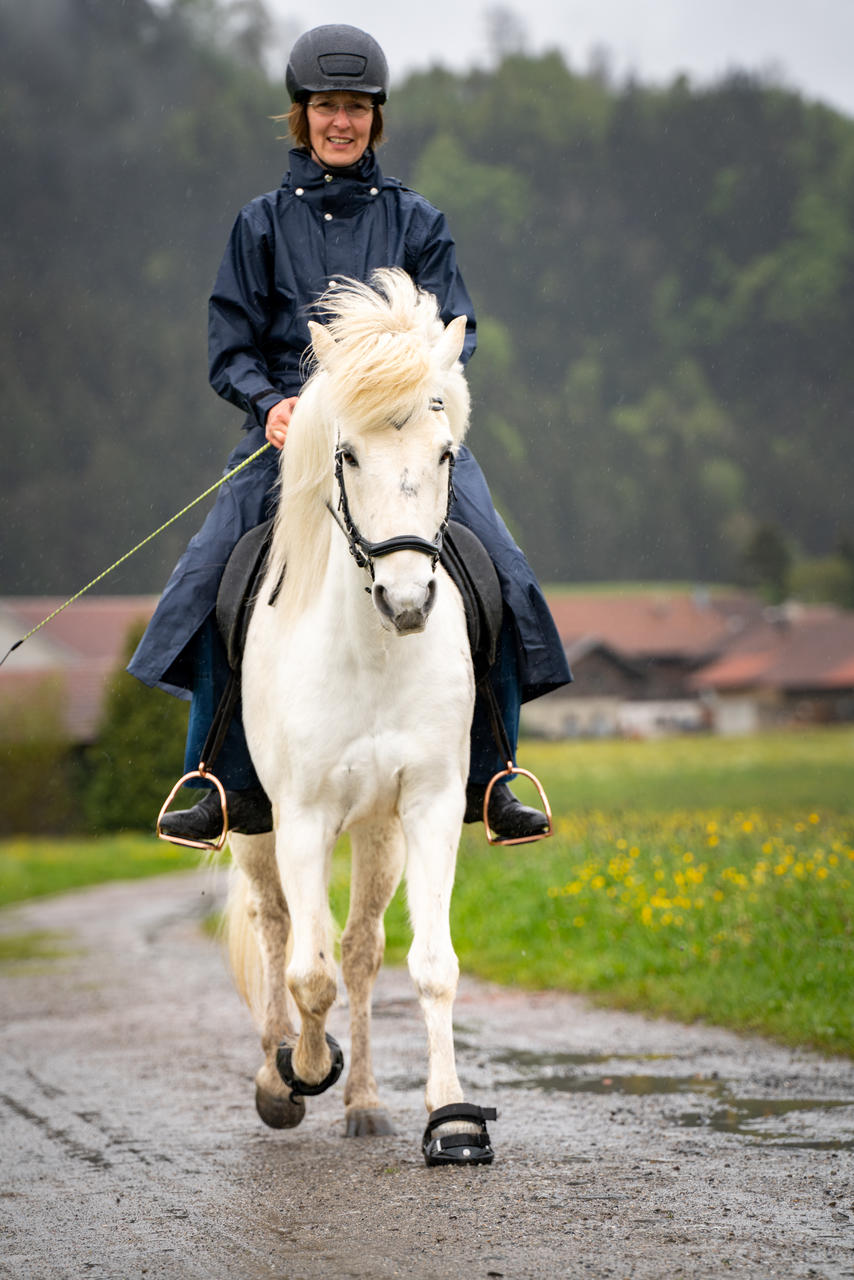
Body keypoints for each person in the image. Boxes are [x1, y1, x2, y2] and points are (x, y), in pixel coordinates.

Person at [129, 24, 571, 842]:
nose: (343, 122)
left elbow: (458, 331)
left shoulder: (418, 219)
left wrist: (409, 379)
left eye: (358, 108)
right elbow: (229, 348)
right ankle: (216, 782)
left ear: (377, 117)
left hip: (401, 435)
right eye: (328, 107)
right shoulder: (257, 225)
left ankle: (494, 773)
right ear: (301, 116)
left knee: (503, 575)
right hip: (290, 437)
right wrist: (270, 402)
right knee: (207, 580)